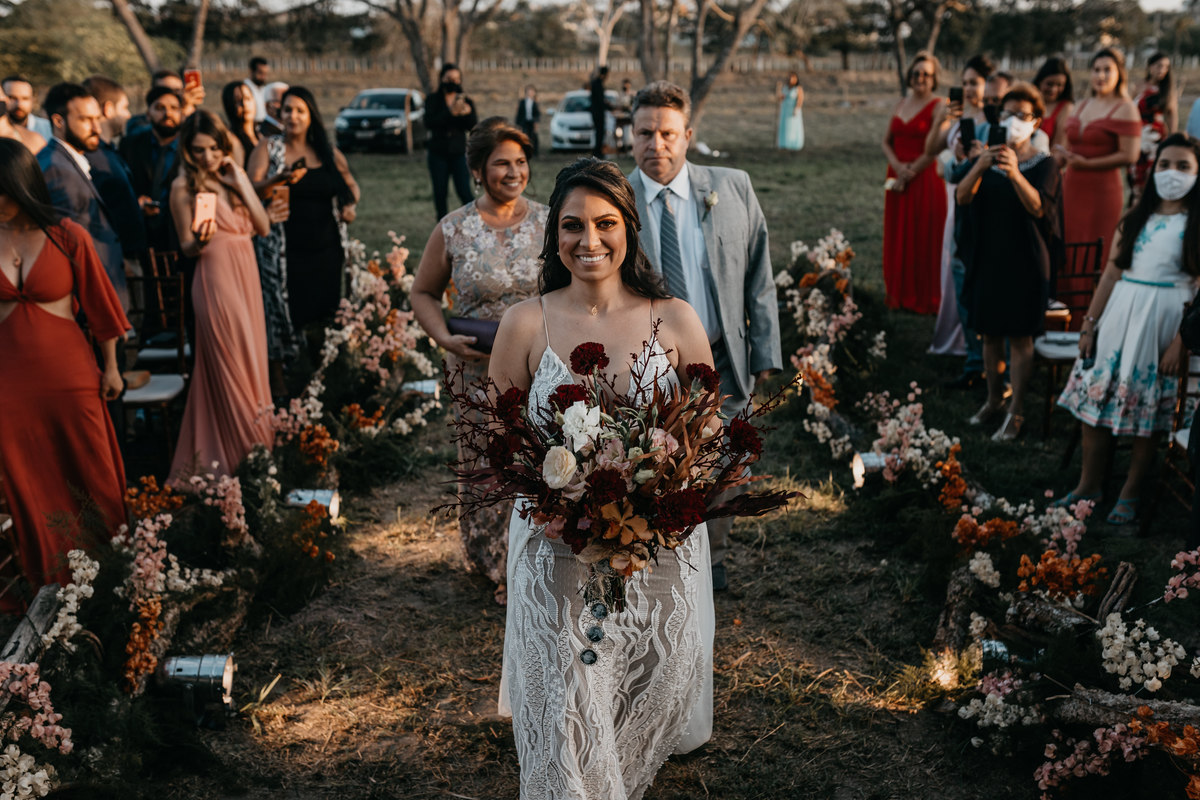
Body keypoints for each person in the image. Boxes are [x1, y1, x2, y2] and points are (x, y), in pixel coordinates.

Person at [489, 156, 715, 796]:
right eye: (571, 225)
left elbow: (709, 426)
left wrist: (665, 487)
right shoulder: (524, 323)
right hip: (552, 541)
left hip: (659, 542)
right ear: (552, 235)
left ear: (630, 228)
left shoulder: (673, 318)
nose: (588, 241)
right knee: (561, 692)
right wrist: (558, 499)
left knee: (662, 671)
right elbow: (498, 442)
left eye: (605, 223)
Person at [628, 80, 782, 591]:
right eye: (645, 133)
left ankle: (711, 562)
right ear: (630, 136)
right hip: (648, 363)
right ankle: (652, 559)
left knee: (725, 462)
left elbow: (759, 273)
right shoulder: (615, 198)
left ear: (687, 134)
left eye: (667, 133)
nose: (657, 145)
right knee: (657, 461)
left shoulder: (732, 187)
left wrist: (764, 352)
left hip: (723, 356)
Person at [411, 117, 548, 606]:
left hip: (539, 367)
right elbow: (423, 292)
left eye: (520, 162)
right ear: (476, 169)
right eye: (501, 163)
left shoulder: (551, 222)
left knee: (540, 459)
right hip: (475, 366)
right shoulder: (454, 228)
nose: (514, 172)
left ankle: (544, 556)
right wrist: (445, 337)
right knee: (489, 463)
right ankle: (499, 564)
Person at [0, 139, 128, 600]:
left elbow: (102, 308)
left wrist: (112, 368)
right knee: (27, 484)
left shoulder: (67, 235)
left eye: (2, 192)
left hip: (72, 379)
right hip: (8, 388)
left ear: (22, 186)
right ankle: (46, 586)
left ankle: (114, 575)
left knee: (91, 473)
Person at [1055, 133, 1200, 524]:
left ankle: (1131, 491)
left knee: (1148, 413)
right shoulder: (1136, 217)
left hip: (1165, 322)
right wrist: (1088, 325)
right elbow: (1110, 274)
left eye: (1183, 166)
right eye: (1165, 164)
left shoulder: (1197, 225)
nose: (1172, 173)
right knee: (1095, 403)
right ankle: (1089, 484)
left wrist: (1181, 342)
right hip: (1120, 316)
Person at [167, 111, 274, 480]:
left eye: (214, 148)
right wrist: (198, 239)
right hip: (215, 279)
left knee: (253, 363)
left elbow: (263, 226)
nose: (208, 157)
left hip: (247, 278)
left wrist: (241, 181)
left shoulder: (231, 179)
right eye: (199, 150)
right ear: (186, 150)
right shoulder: (183, 186)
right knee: (232, 364)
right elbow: (185, 246)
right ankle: (249, 459)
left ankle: (257, 454)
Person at [957, 83, 1062, 442]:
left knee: (1019, 338)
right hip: (990, 256)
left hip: (1027, 261)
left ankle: (1017, 411)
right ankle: (992, 400)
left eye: (1022, 114)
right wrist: (980, 165)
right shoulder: (987, 156)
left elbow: (1038, 208)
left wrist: (1014, 172)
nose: (1013, 120)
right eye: (1007, 112)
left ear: (1036, 122)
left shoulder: (1045, 164)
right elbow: (962, 196)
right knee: (989, 334)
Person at [262, 87, 358, 339]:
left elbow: (351, 186)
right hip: (286, 251)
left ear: (311, 115)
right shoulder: (269, 149)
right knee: (291, 316)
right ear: (280, 114)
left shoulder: (327, 152)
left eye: (300, 111)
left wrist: (350, 206)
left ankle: (324, 369)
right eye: (287, 110)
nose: (293, 116)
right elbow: (250, 189)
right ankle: (293, 369)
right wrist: (277, 179)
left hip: (326, 250)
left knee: (326, 317)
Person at [925, 54, 993, 382]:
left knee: (964, 265)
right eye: (964, 82)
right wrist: (942, 119)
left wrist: (953, 164)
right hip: (953, 198)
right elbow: (931, 149)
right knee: (951, 264)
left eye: (974, 82)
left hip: (975, 201)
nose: (968, 88)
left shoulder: (990, 118)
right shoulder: (958, 116)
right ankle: (954, 334)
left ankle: (974, 348)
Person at [37, 83, 128, 310]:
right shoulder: (57, 169)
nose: (97, 128)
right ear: (59, 122)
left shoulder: (63, 161)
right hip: (90, 303)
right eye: (86, 120)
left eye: (97, 118)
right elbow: (69, 248)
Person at [1057, 48, 1140, 287]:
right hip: (1071, 186)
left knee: (1095, 249)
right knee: (1069, 244)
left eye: (1107, 70)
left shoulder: (1125, 107)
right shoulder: (1082, 104)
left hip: (1102, 191)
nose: (1100, 75)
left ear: (1119, 74)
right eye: (1096, 69)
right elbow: (1066, 142)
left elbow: (1130, 154)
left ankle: (1092, 314)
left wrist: (1088, 163)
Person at [882, 52, 948, 315]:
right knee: (898, 234)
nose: (920, 78)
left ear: (934, 79)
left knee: (924, 235)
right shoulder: (901, 103)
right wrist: (898, 168)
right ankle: (898, 292)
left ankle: (924, 295)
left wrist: (910, 171)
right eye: (916, 73)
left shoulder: (940, 104)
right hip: (896, 173)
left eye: (926, 74)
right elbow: (885, 141)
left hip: (924, 176)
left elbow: (935, 148)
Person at [81, 75, 145, 311]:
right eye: (125, 107)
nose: (128, 115)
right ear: (108, 109)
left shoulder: (110, 152)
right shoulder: (95, 159)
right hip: (116, 263)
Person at [120, 86, 185, 256]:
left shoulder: (191, 148)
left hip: (181, 237)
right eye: (159, 108)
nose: (167, 114)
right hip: (142, 240)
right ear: (148, 114)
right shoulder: (131, 145)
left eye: (173, 108)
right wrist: (136, 201)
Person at [425, 64, 477, 220]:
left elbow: (473, 127)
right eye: (449, 78)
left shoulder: (466, 101)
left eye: (456, 79)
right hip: (437, 153)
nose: (452, 82)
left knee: (464, 190)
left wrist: (467, 113)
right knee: (440, 192)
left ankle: (473, 222)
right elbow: (429, 123)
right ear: (442, 79)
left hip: (458, 152)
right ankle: (442, 226)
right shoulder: (432, 100)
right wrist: (450, 113)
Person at [1129, 52, 1177, 199]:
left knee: (1153, 177)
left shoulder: (1167, 90)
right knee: (1135, 177)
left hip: (1157, 140)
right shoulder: (1137, 86)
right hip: (1137, 138)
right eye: (1159, 66)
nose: (1162, 70)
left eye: (1166, 67)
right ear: (1150, 67)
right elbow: (1128, 110)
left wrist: (1172, 139)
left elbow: (1172, 115)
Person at [1035, 56, 1075, 154]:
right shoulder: (1028, 103)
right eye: (1049, 84)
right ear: (1040, 82)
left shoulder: (1065, 108)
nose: (1054, 90)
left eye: (1059, 85)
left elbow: (1058, 148)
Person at [2, 76, 53, 144]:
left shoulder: (49, 130)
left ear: (33, 100)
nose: (19, 104)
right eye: (12, 98)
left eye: (25, 98)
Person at [221, 80, 259, 166]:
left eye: (248, 98)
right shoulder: (232, 140)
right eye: (237, 101)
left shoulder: (261, 134)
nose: (244, 104)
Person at [776, 71, 805, 151]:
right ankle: (784, 143)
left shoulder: (798, 88)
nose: (790, 79)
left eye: (792, 77)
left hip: (793, 110)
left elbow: (800, 99)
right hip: (785, 110)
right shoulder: (785, 88)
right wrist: (778, 88)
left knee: (793, 126)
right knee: (785, 126)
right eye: (790, 77)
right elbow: (781, 98)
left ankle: (794, 143)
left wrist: (797, 108)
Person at [513, 85, 540, 157]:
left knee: (533, 137)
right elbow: (519, 114)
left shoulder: (535, 103)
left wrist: (536, 122)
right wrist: (518, 124)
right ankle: (524, 152)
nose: (530, 93)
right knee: (524, 137)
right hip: (524, 122)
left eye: (532, 91)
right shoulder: (522, 102)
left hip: (532, 122)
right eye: (529, 91)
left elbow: (537, 114)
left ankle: (534, 153)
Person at [590, 65, 610, 158]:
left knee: (599, 132)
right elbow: (599, 100)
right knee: (599, 132)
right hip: (598, 112)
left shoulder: (596, 82)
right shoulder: (598, 83)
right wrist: (608, 106)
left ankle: (598, 150)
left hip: (596, 112)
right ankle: (598, 152)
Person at [245, 56, 270, 123]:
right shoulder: (244, 89)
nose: (263, 77)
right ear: (251, 71)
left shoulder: (264, 89)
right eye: (260, 73)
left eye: (265, 73)